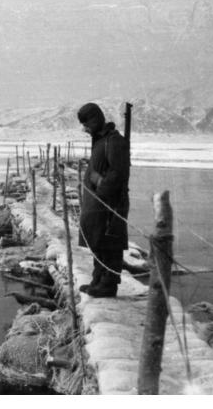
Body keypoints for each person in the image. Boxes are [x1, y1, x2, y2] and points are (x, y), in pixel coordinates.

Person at [77, 103, 130, 297]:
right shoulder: (101, 140)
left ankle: (108, 284)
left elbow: (118, 173)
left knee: (110, 243)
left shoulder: (114, 141)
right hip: (98, 203)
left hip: (110, 204)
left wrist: (100, 186)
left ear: (95, 120)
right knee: (98, 242)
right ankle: (98, 279)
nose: (85, 129)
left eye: (86, 124)